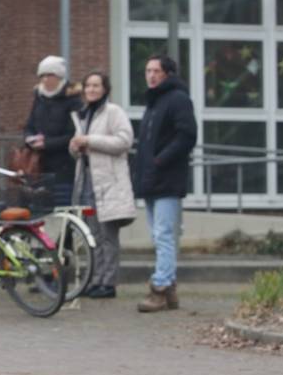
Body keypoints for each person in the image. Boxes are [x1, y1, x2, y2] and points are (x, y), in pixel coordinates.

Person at [133, 54, 197, 313]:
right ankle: (169, 290)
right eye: (148, 70)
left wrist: (160, 161)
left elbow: (187, 135)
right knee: (158, 236)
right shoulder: (154, 102)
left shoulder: (177, 99)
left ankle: (159, 288)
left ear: (168, 73)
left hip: (167, 179)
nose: (151, 75)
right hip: (152, 179)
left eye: (156, 71)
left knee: (164, 235)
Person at [69, 72, 135, 299]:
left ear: (105, 89)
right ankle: (95, 280)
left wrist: (90, 141)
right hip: (87, 182)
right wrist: (75, 147)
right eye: (88, 85)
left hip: (108, 184)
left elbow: (124, 141)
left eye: (96, 86)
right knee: (92, 236)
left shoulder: (114, 112)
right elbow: (79, 149)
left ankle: (109, 283)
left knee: (108, 236)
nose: (91, 90)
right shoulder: (83, 115)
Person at [23, 56, 82, 210]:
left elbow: (74, 134)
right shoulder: (39, 97)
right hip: (39, 167)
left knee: (62, 211)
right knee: (38, 210)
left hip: (63, 168)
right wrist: (29, 139)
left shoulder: (73, 100)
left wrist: (47, 143)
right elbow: (29, 125)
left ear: (59, 77)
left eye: (49, 75)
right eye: (42, 75)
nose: (45, 79)